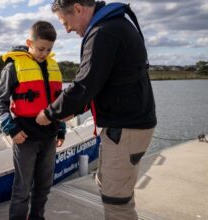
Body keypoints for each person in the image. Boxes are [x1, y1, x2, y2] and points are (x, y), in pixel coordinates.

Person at [36, 1, 157, 219]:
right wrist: (77, 107)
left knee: (116, 202)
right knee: (110, 188)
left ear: (79, 9)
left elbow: (84, 85)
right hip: (127, 126)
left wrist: (49, 113)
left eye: (66, 22)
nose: (67, 29)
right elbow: (103, 81)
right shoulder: (115, 25)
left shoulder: (103, 33)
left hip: (126, 129)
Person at [0, 20, 66, 220]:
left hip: (49, 137)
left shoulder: (53, 66)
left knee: (44, 187)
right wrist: (12, 129)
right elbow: (0, 102)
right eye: (41, 48)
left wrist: (60, 129)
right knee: (22, 190)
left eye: (49, 49)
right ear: (30, 42)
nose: (44, 53)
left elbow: (57, 102)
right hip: (24, 138)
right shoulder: (12, 67)